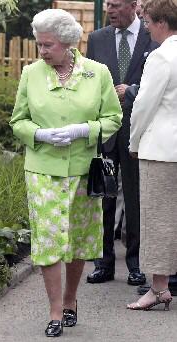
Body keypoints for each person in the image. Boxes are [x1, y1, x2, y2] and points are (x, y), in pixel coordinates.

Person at [9, 9, 122, 337]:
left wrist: (82, 130)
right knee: (48, 239)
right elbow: (18, 120)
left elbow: (113, 118)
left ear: (68, 43)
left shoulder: (97, 73)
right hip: (42, 169)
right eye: (39, 44)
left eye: (48, 45)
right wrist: (39, 135)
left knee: (75, 240)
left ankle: (71, 300)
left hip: (84, 169)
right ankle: (55, 311)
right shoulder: (31, 74)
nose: (42, 51)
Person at [85, 0, 158, 286]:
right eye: (108, 6)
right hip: (105, 134)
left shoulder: (152, 38)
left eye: (116, 5)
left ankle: (136, 264)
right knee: (103, 197)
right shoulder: (97, 39)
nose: (111, 11)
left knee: (136, 198)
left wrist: (133, 92)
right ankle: (103, 263)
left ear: (132, 5)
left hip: (138, 133)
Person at [127, 0, 177, 311]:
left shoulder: (161, 57)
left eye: (146, 21)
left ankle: (159, 289)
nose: (145, 27)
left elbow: (143, 106)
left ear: (161, 22)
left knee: (158, 220)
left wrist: (133, 142)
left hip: (161, 150)